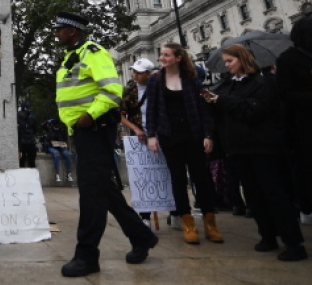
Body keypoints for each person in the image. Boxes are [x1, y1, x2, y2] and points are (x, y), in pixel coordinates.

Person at [54, 12, 157, 278]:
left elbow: (112, 92)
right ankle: (141, 235)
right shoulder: (71, 56)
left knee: (91, 193)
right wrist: (73, 129)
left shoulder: (93, 52)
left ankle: (87, 255)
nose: (57, 33)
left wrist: (89, 116)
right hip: (82, 132)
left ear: (73, 32)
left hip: (95, 128)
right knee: (102, 189)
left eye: (61, 29)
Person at [204, 44, 306, 261]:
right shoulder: (228, 86)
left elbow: (254, 111)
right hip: (238, 148)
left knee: (274, 194)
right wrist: (212, 102)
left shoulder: (263, 83)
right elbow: (222, 112)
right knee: (253, 194)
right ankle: (267, 235)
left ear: (242, 59)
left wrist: (222, 101)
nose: (227, 65)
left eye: (230, 60)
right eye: (225, 61)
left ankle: (293, 242)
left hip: (263, 147)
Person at [146, 43, 223, 245]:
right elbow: (152, 109)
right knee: (178, 179)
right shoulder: (156, 80)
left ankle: (210, 223)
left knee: (202, 178)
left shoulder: (191, 79)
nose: (162, 58)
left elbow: (203, 108)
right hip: (169, 135)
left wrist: (208, 134)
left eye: (166, 55)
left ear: (178, 58)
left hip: (194, 134)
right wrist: (151, 134)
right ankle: (187, 223)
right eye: (161, 54)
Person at [276, 14, 312, 226]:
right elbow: (286, 94)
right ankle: (306, 205)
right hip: (302, 125)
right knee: (305, 167)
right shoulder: (288, 60)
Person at [120, 58, 156, 227]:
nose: (135, 75)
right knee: (143, 175)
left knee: (163, 173)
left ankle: (175, 210)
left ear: (149, 74)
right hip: (140, 136)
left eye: (139, 72)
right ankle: (145, 215)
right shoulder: (129, 90)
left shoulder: (158, 88)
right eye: (134, 71)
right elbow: (120, 114)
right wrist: (135, 129)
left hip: (159, 133)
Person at [42, 118, 73, 183]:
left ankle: (68, 174)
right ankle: (57, 174)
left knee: (67, 155)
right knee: (56, 154)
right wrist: (47, 121)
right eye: (55, 125)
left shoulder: (62, 130)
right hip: (51, 146)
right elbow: (42, 125)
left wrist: (65, 145)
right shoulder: (50, 129)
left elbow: (65, 139)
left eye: (58, 125)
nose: (57, 126)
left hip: (60, 146)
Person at [17, 104, 37, 168]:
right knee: (21, 161)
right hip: (22, 143)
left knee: (32, 162)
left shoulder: (31, 118)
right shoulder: (18, 118)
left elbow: (35, 129)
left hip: (30, 142)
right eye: (27, 110)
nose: (29, 112)